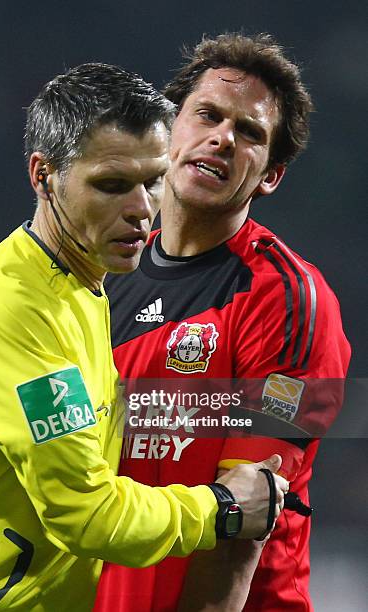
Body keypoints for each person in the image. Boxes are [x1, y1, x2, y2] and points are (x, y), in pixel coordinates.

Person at [0, 63, 288, 611]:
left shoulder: (85, 281)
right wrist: (221, 509)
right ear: (42, 175)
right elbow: (85, 512)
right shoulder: (18, 306)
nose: (143, 209)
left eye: (153, 180)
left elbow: (290, 423)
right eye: (112, 185)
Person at [94, 35, 351, 611]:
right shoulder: (104, 279)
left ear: (270, 176)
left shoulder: (290, 299)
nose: (223, 138)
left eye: (250, 133)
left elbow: (247, 516)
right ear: (168, 130)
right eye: (207, 115)